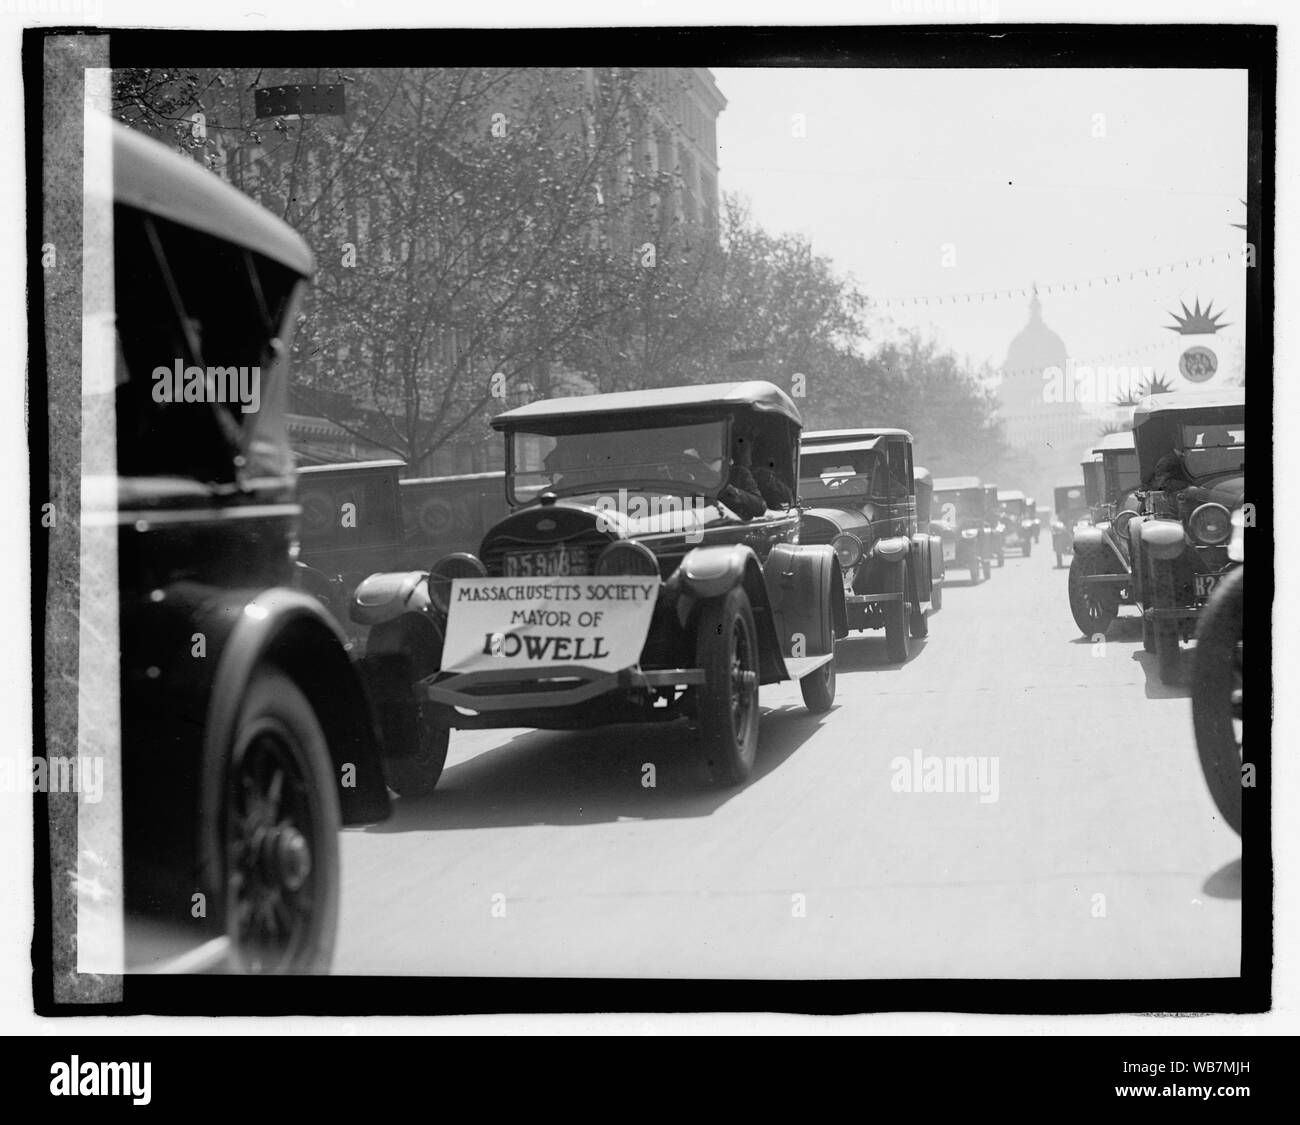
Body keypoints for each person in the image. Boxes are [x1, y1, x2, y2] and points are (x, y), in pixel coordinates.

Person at [720, 432, 768, 519]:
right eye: (747, 456)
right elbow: (693, 524)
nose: (750, 462)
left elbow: (760, 506)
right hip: (708, 524)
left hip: (734, 526)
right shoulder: (695, 477)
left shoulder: (740, 473)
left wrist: (734, 492)